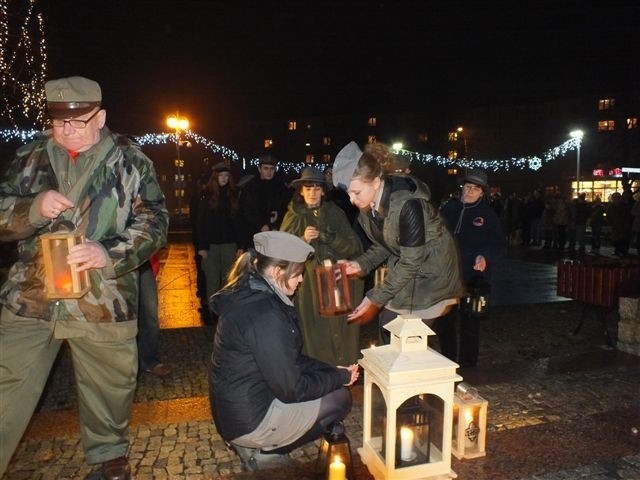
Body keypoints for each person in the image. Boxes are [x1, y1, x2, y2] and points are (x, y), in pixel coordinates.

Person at [0, 76, 169, 480]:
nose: (67, 131)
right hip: (31, 297)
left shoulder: (132, 160)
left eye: (77, 121)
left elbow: (155, 222)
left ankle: (109, 462)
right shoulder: (31, 156)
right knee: (6, 385)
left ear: (101, 117)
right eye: (59, 122)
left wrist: (106, 253)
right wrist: (33, 209)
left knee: (110, 391)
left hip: (102, 300)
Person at [208, 231, 359, 471]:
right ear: (278, 272)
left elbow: (288, 359)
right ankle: (263, 451)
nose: (300, 281)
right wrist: (338, 378)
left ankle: (259, 444)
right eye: (298, 274)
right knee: (340, 399)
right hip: (248, 421)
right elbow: (293, 389)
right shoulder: (265, 314)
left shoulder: (251, 291)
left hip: (238, 409)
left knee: (330, 386)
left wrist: (330, 370)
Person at [331, 141, 464, 353]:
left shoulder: (408, 206)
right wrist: (360, 264)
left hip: (431, 280)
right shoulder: (369, 207)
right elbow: (385, 244)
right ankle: (404, 380)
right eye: (348, 193)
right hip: (409, 276)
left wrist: (375, 296)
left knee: (405, 341)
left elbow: (411, 261)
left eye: (356, 192)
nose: (352, 200)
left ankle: (425, 381)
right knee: (389, 329)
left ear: (375, 182)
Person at [280, 167, 364, 366]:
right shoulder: (293, 215)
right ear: (301, 191)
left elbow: (354, 247)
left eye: (317, 188)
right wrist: (303, 240)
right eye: (308, 188)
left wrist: (330, 238)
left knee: (339, 326)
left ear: (323, 191)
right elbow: (282, 254)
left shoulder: (335, 213)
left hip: (336, 279)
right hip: (308, 283)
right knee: (314, 329)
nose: (312, 193)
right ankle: (318, 372)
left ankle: (342, 369)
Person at [440, 169, 505, 367]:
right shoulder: (449, 209)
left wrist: (485, 256)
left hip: (474, 277)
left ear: (482, 192)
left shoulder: (487, 215)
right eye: (467, 187)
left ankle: (468, 364)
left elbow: (498, 244)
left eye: (475, 189)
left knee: (470, 322)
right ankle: (448, 360)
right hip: (448, 275)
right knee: (445, 321)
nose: (469, 191)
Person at [195, 162, 242, 322]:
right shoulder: (206, 196)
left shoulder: (233, 195)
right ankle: (212, 311)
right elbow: (199, 222)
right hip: (211, 244)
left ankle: (225, 310)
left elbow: (238, 222)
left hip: (229, 242)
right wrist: (201, 246)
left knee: (228, 278)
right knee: (212, 278)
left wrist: (240, 244)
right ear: (215, 178)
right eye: (221, 176)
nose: (224, 179)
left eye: (226, 176)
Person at [238, 155, 291, 247]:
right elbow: (246, 211)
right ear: (259, 169)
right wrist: (261, 224)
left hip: (276, 233)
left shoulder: (281, 187)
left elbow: (287, 207)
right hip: (254, 235)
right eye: (265, 168)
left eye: (272, 169)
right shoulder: (250, 187)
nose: (269, 172)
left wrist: (278, 215)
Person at [137, 254, 171, 377]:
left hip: (141, 261)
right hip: (113, 260)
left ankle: (150, 361)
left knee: (150, 313)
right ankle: (128, 362)